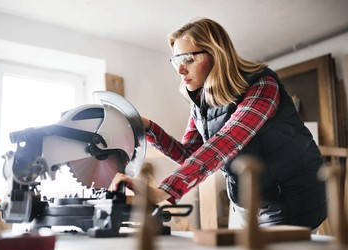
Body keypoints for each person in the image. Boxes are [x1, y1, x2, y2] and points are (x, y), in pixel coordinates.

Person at [111, 18, 327, 229]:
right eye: (177, 60)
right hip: (248, 202)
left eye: (189, 59)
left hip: (291, 198)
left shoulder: (262, 84)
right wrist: (148, 127)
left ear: (217, 54)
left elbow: (229, 140)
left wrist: (164, 190)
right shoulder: (201, 103)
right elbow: (189, 155)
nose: (180, 70)